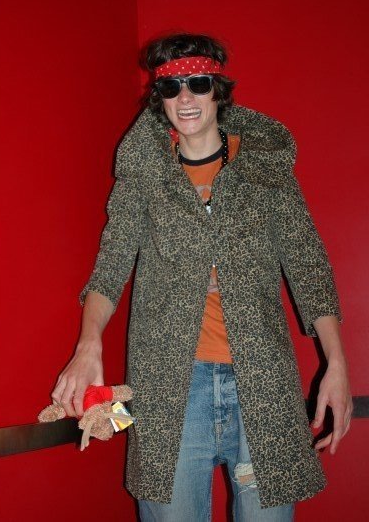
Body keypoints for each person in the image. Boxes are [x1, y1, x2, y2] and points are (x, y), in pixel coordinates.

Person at [51, 33, 353, 521]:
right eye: (172, 87)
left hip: (263, 384)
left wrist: (335, 363)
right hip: (171, 386)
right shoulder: (145, 174)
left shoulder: (264, 168)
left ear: (218, 90)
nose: (185, 98)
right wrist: (89, 346)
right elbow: (110, 266)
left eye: (198, 83)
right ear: (160, 97)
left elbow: (308, 266)